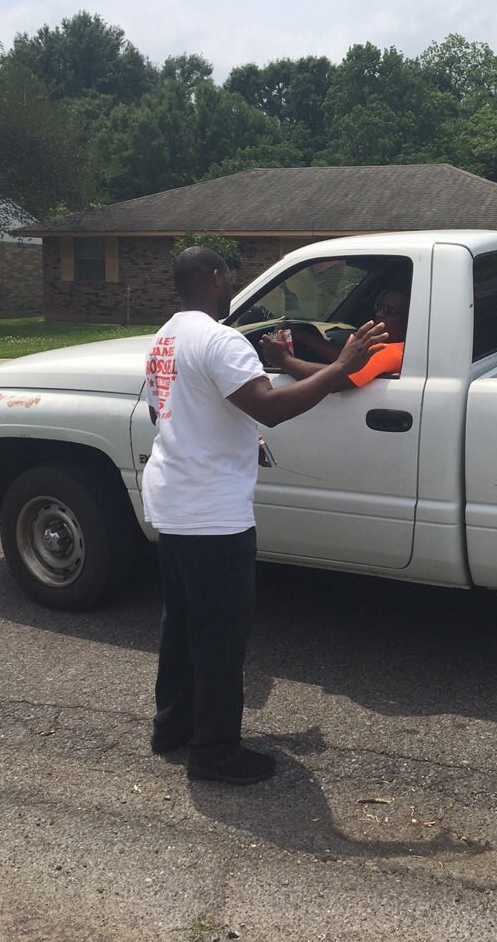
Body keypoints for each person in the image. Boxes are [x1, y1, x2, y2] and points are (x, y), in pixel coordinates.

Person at [142, 247, 386, 785]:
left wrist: (235, 438)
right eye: (229, 275)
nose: (233, 282)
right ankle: (215, 752)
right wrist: (342, 367)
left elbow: (172, 410)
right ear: (215, 278)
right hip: (213, 514)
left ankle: (172, 728)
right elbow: (271, 407)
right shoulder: (223, 339)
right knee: (220, 634)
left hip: (173, 500)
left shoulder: (166, 337)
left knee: (181, 622)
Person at [259, 283, 409, 387]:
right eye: (380, 306)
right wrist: (302, 336)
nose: (379, 313)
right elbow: (344, 358)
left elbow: (336, 379)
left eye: (390, 311)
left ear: (408, 320)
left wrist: (284, 360)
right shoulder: (385, 344)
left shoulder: (391, 352)